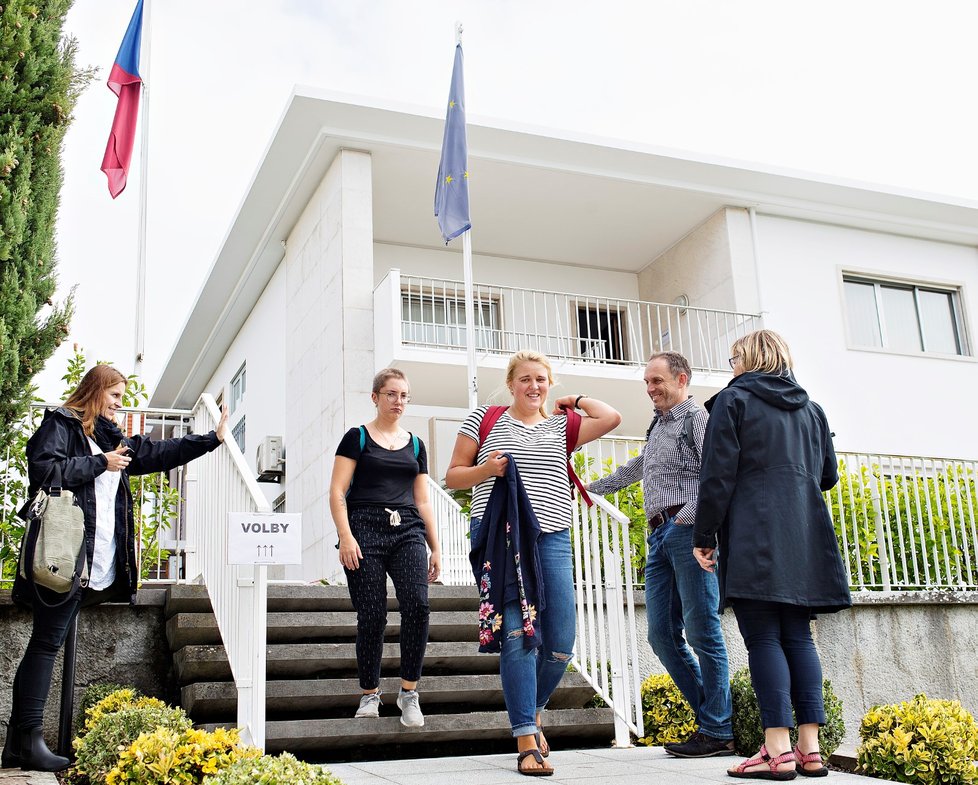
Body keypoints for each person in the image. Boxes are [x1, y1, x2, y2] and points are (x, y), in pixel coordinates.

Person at [3, 364, 228, 773]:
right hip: (63, 555)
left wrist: (210, 440)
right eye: (116, 397)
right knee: (46, 643)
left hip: (92, 564)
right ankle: (28, 741)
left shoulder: (110, 440)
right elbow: (44, 471)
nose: (120, 406)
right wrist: (98, 464)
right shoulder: (63, 425)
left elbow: (157, 453)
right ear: (95, 390)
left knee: (44, 642)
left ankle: (20, 743)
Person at [446, 350, 621, 777]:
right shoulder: (484, 420)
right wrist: (487, 469)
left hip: (553, 537)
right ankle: (525, 736)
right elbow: (452, 476)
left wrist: (574, 400)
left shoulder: (562, 427)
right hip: (502, 541)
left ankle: (534, 708)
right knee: (518, 634)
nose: (534, 386)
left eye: (541, 379)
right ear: (511, 384)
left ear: (549, 383)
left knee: (561, 641)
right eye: (525, 379)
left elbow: (612, 416)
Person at [693, 330, 851, 780]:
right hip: (803, 534)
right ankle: (810, 749)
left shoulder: (734, 400)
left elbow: (717, 476)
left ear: (747, 359)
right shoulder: (812, 410)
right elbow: (827, 476)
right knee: (798, 637)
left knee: (762, 637)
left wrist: (704, 534)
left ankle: (776, 752)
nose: (731, 368)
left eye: (733, 359)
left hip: (754, 532)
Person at [586, 351, 735, 758]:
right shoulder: (658, 426)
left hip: (687, 533)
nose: (650, 389)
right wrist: (591, 489)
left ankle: (716, 728)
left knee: (703, 631)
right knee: (661, 636)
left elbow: (718, 474)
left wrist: (686, 519)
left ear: (682, 379)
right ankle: (716, 720)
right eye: (647, 383)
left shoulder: (696, 419)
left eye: (657, 381)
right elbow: (639, 467)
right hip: (659, 538)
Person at [328, 368, 441, 729]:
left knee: (418, 605)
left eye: (404, 395)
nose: (399, 402)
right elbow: (337, 491)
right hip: (364, 529)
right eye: (391, 394)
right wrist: (346, 536)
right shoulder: (356, 437)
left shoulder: (417, 445)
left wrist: (435, 547)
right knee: (373, 614)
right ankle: (370, 693)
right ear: (375, 397)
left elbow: (422, 501)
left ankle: (408, 692)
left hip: (407, 528)